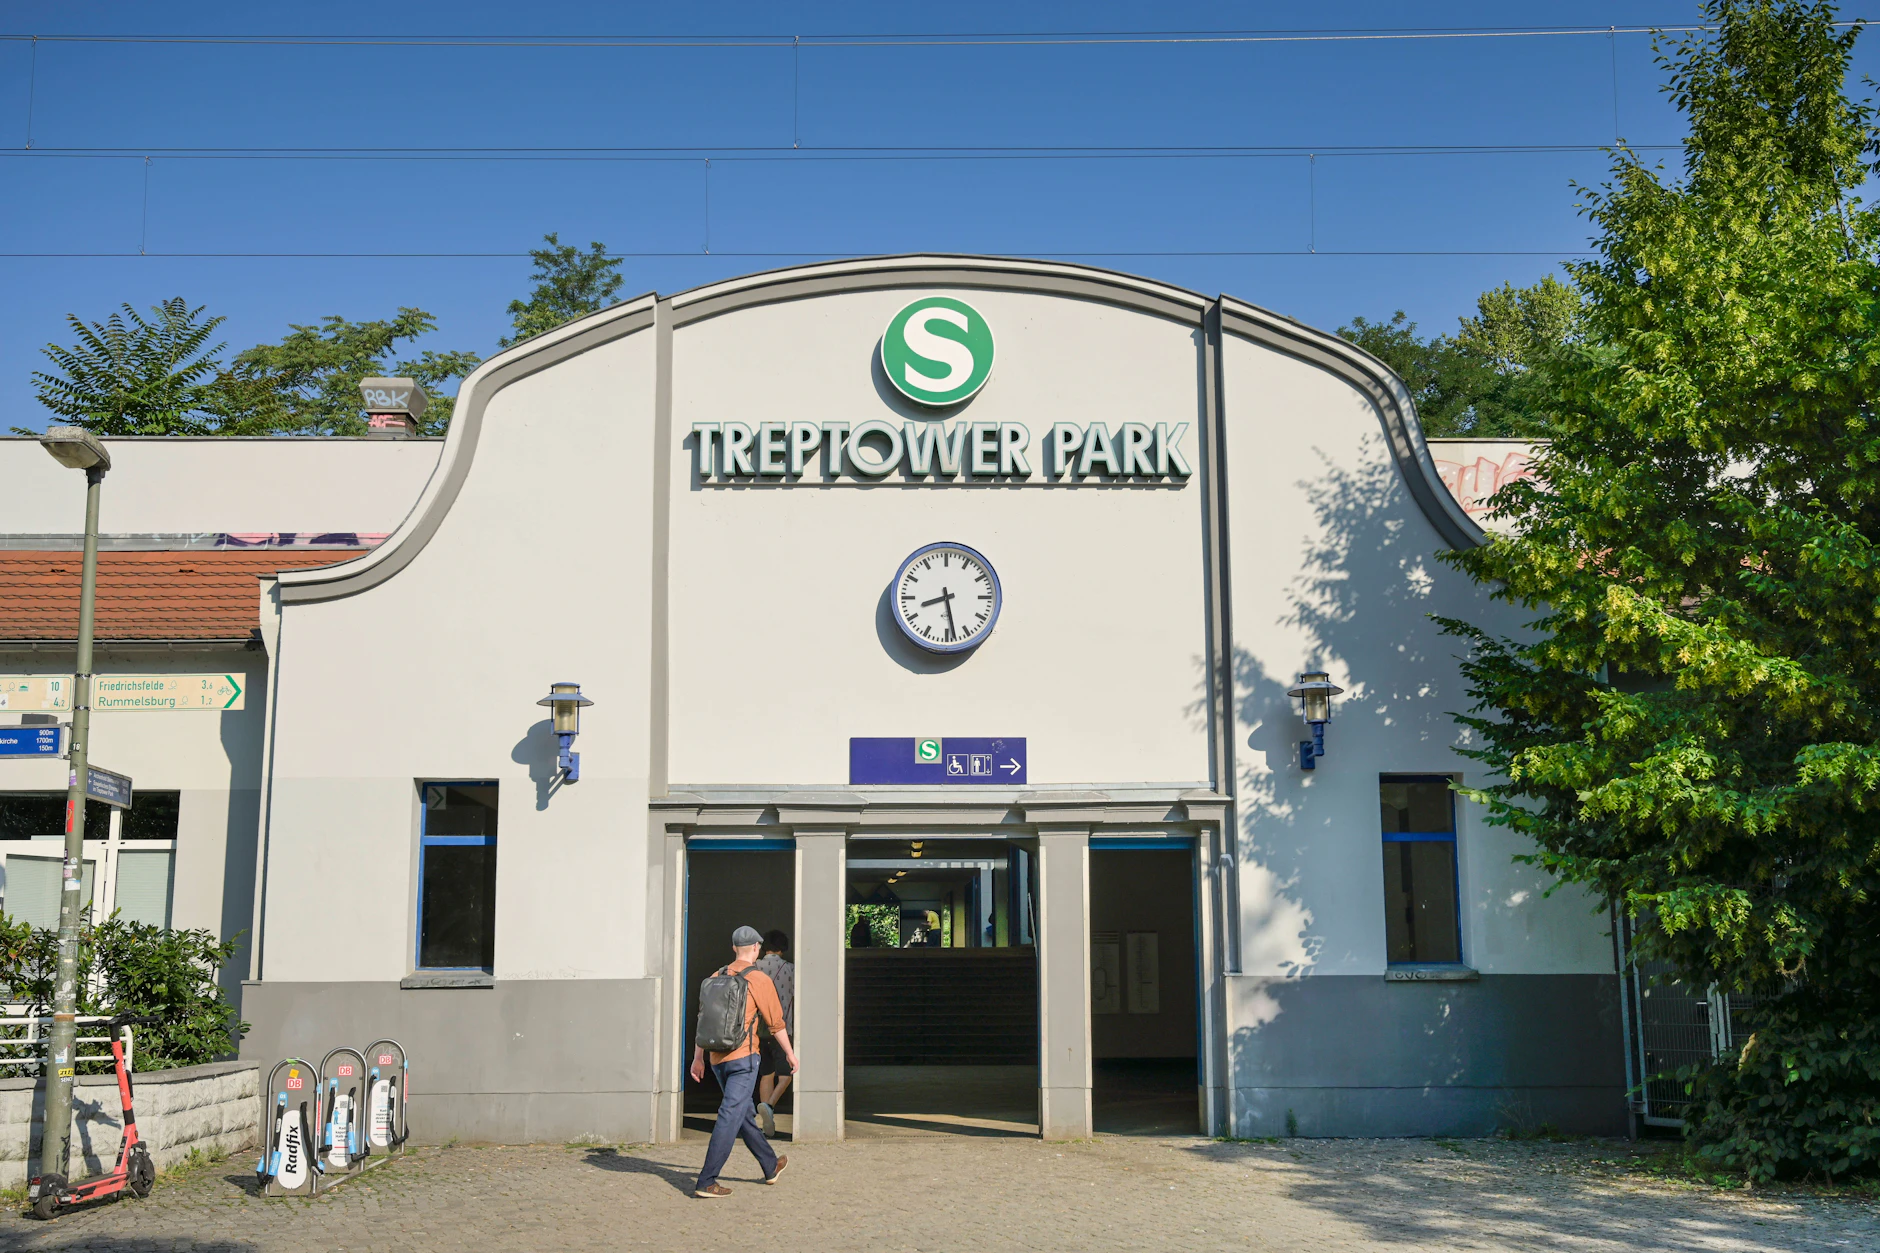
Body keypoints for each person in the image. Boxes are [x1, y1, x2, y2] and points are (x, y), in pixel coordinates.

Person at [690, 925, 798, 1198]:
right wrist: (790, 1053)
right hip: (743, 1059)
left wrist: (698, 1058)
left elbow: (703, 1021)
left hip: (717, 1060)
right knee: (730, 1115)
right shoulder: (758, 979)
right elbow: (776, 1024)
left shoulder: (715, 977)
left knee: (743, 1114)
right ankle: (707, 1181)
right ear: (756, 948)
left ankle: (770, 1165)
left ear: (734, 948)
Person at [752, 929, 795, 1137]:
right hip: (782, 1030)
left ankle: (765, 1123)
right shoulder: (790, 970)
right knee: (786, 1075)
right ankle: (769, 1106)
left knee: (766, 1074)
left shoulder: (754, 968)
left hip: (758, 1031)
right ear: (782, 948)